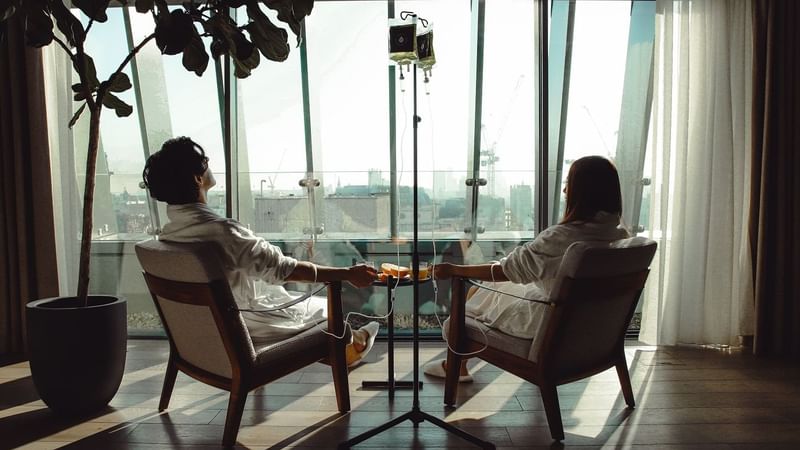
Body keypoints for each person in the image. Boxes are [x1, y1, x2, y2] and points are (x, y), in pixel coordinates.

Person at [142, 137, 379, 367]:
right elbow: (284, 270)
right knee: (333, 318)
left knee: (316, 311)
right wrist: (348, 273)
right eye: (205, 161)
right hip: (247, 330)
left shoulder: (169, 236)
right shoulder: (223, 233)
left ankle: (349, 345)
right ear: (197, 179)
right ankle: (354, 343)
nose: (209, 164)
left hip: (209, 334)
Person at [426, 155, 631, 381]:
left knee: (481, 290)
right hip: (591, 327)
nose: (564, 192)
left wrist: (455, 270)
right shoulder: (620, 236)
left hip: (549, 326)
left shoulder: (561, 238)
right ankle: (456, 364)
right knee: (490, 289)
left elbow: (507, 270)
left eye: (568, 185)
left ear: (581, 193)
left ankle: (455, 365)